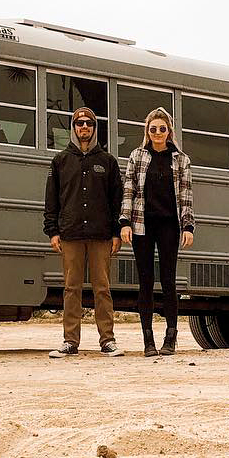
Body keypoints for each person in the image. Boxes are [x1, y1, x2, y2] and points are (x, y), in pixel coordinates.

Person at [43, 107, 124, 357]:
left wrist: (116, 232)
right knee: (71, 288)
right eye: (79, 123)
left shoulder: (108, 162)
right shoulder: (60, 161)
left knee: (102, 288)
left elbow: (117, 200)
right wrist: (52, 231)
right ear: (74, 128)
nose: (84, 127)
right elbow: (52, 200)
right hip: (70, 234)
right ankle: (70, 341)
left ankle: (107, 340)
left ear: (95, 127)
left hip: (101, 235)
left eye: (89, 123)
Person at [119, 108, 194, 356]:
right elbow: (128, 190)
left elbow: (186, 196)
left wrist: (188, 226)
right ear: (147, 132)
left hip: (169, 226)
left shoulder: (181, 160)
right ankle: (148, 341)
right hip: (142, 225)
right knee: (146, 283)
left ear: (169, 131)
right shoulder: (137, 156)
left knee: (169, 281)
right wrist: (125, 222)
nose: (158, 133)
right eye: (153, 129)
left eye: (162, 129)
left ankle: (170, 337)